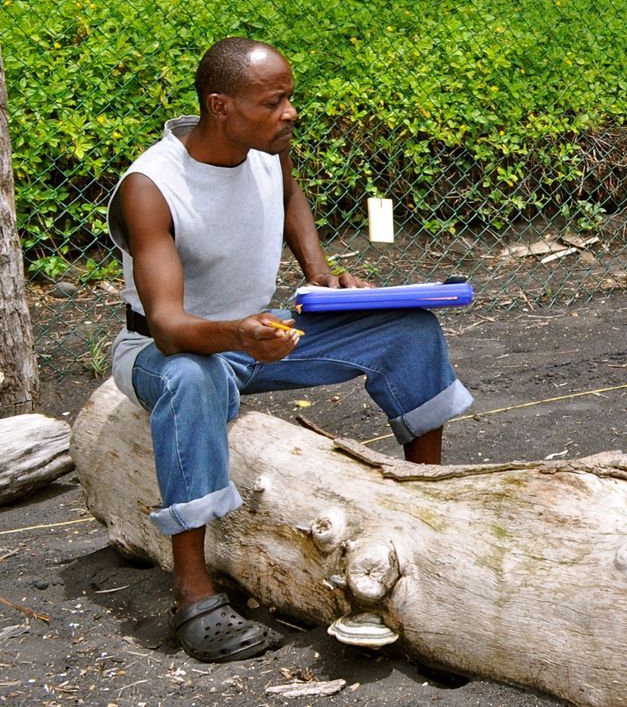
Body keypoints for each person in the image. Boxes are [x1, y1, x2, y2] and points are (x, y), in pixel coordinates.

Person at [108, 37, 474, 663]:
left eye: (290, 99)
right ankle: (194, 593)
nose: (290, 114)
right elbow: (168, 326)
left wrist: (321, 272)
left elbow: (287, 193)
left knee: (407, 326)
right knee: (193, 379)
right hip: (161, 351)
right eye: (274, 101)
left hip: (254, 333)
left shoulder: (266, 150)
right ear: (220, 106)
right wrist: (239, 335)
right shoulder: (152, 187)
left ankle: (424, 499)